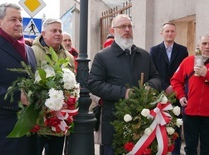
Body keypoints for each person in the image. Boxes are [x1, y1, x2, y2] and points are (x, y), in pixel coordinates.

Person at [88, 14, 161, 155]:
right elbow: (94, 84)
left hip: (143, 122)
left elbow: (156, 77)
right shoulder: (102, 56)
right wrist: (124, 93)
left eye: (130, 26)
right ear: (112, 31)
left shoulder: (144, 55)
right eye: (122, 26)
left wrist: (150, 86)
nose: (127, 29)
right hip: (114, 122)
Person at [0, 3, 37, 155]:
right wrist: (17, 96)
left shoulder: (29, 50)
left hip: (31, 129)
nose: (19, 24)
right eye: (13, 19)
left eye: (20, 19)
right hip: (3, 129)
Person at [31, 18, 75, 155]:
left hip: (59, 121)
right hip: (38, 120)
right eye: (54, 30)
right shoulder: (32, 52)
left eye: (60, 31)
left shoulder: (69, 57)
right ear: (43, 34)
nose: (58, 34)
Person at [150, 22, 188, 155]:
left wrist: (175, 87)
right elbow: (153, 71)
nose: (170, 33)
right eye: (167, 31)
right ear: (162, 33)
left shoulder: (183, 50)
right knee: (160, 125)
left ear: (175, 33)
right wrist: (165, 87)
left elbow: (185, 72)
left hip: (177, 93)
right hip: (160, 93)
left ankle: (176, 152)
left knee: (176, 125)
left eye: (172, 31)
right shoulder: (154, 50)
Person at [171, 34, 209, 155]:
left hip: (208, 114)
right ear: (198, 46)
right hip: (190, 112)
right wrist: (181, 96)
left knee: (207, 148)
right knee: (190, 148)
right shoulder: (188, 61)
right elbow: (175, 80)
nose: (207, 47)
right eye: (204, 44)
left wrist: (206, 74)